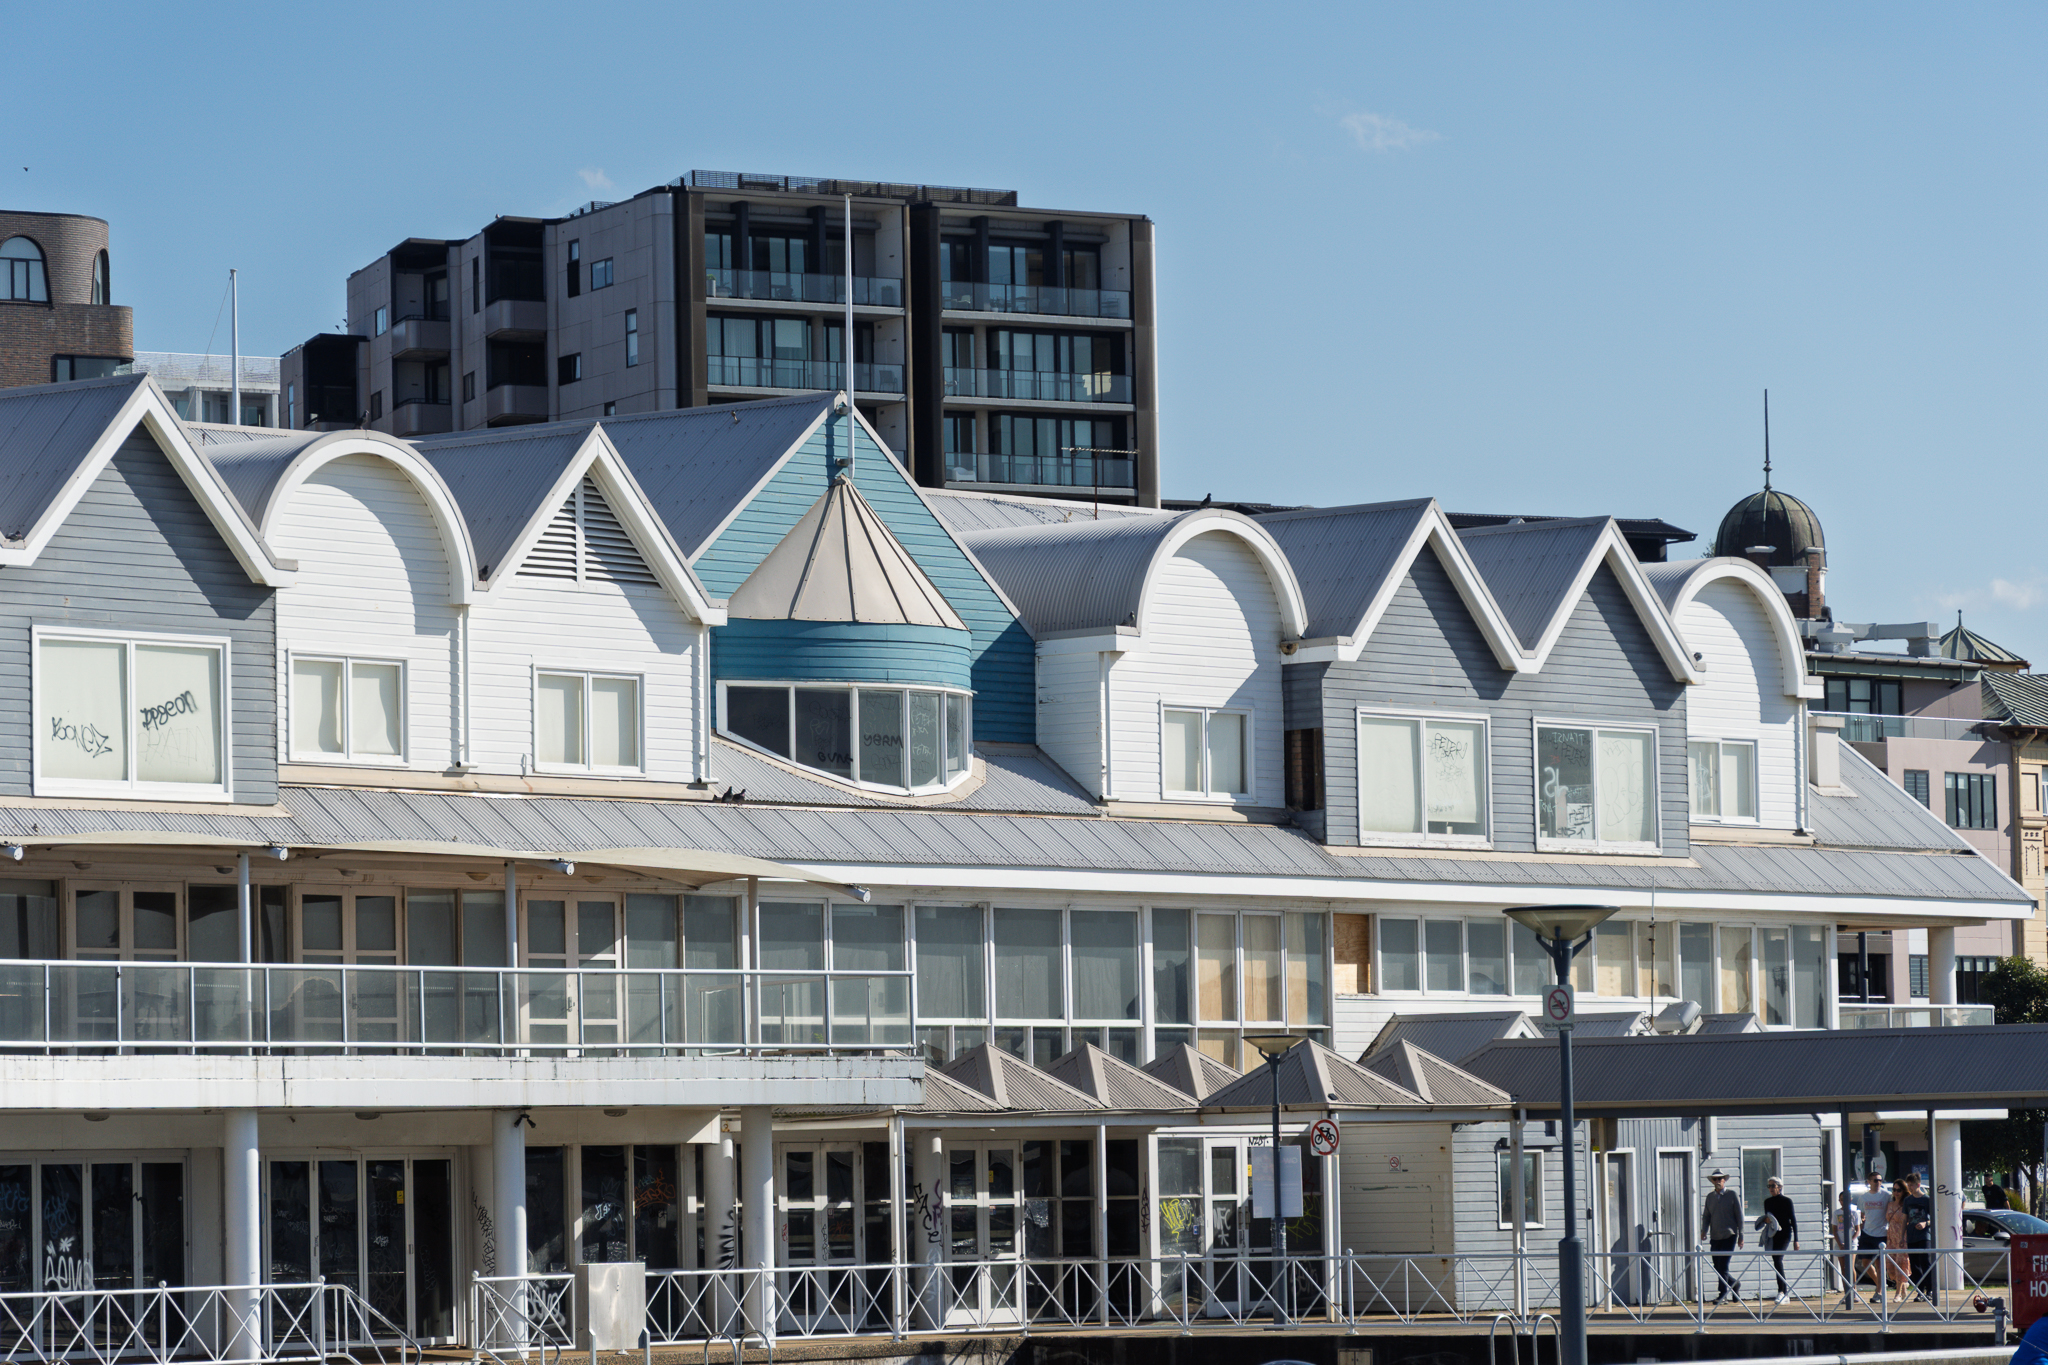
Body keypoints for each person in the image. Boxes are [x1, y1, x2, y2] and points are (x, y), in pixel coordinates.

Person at [1700, 1169, 1745, 1303]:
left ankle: (1723, 1293)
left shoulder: (1732, 1195)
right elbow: (1706, 1216)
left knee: (1724, 1266)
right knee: (1717, 1266)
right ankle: (1734, 1284)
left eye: (1720, 1179)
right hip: (1715, 1237)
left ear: (1724, 1180)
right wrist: (1704, 1230)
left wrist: (1741, 1236)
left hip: (1729, 1235)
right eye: (1715, 1179)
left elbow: (1739, 1216)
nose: (1717, 1181)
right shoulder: (1710, 1197)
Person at [1854, 1171, 1892, 1299]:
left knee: (1880, 1265)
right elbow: (1862, 1214)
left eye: (1880, 1180)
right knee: (1865, 1263)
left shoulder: (1886, 1195)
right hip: (1867, 1233)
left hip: (1882, 1233)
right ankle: (1880, 1285)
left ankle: (1879, 1292)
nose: (1878, 1182)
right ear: (1869, 1182)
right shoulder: (1863, 1198)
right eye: (1875, 1180)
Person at [1762, 1176, 1799, 1303]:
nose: (1771, 1188)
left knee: (1778, 1259)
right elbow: (1768, 1218)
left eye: (1773, 1186)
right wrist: (1766, 1220)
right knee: (1776, 1261)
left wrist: (1796, 1240)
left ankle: (1782, 1292)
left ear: (1780, 1187)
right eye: (1769, 1186)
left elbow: (1793, 1220)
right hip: (1773, 1234)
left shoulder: (1787, 1201)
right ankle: (1783, 1292)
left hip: (1785, 1234)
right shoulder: (1767, 1202)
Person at [1903, 1172, 1937, 1300]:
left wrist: (1925, 1223)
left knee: (1925, 1262)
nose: (1909, 1188)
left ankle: (1930, 1290)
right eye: (1908, 1185)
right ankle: (1920, 1291)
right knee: (1914, 1265)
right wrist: (1901, 1236)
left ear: (1918, 1185)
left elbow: (1934, 1218)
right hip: (1911, 1236)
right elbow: (1904, 1219)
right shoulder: (1907, 1200)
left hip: (1924, 1236)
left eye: (1911, 1185)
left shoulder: (1926, 1199)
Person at [1834, 1189, 1863, 1303]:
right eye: (1841, 1200)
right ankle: (1847, 1293)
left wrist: (1849, 1241)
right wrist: (1840, 1243)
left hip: (1851, 1243)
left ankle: (1854, 1292)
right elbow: (1834, 1230)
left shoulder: (1854, 1212)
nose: (1843, 1202)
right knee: (1843, 1268)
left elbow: (1857, 1230)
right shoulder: (1836, 1213)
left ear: (1850, 1200)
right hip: (1840, 1243)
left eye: (1845, 1199)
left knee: (1850, 1267)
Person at [1887, 1179, 1912, 1294]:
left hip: (1902, 1236)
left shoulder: (1906, 1204)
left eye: (1899, 1190)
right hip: (1891, 1237)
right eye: (1894, 1190)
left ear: (1903, 1191)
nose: (1896, 1192)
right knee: (1891, 1263)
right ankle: (1903, 1288)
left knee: (1900, 1263)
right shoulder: (1890, 1204)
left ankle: (1897, 1293)